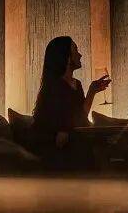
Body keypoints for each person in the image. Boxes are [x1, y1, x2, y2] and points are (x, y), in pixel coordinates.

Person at [31, 36, 110, 167]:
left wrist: (92, 92)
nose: (80, 55)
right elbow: (58, 124)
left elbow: (81, 117)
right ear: (66, 57)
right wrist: (66, 131)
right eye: (76, 50)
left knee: (102, 142)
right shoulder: (54, 86)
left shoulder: (77, 84)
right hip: (54, 143)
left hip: (71, 136)